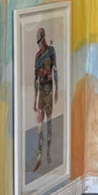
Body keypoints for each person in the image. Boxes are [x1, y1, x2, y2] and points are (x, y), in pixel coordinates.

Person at [33, 27, 58, 172]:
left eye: (40, 40)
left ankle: (48, 151)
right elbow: (35, 78)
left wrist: (57, 90)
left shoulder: (51, 51)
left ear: (44, 38)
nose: (39, 44)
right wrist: (35, 98)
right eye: (38, 42)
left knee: (49, 122)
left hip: (49, 91)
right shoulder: (37, 56)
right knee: (40, 124)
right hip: (41, 92)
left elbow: (55, 70)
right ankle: (40, 154)